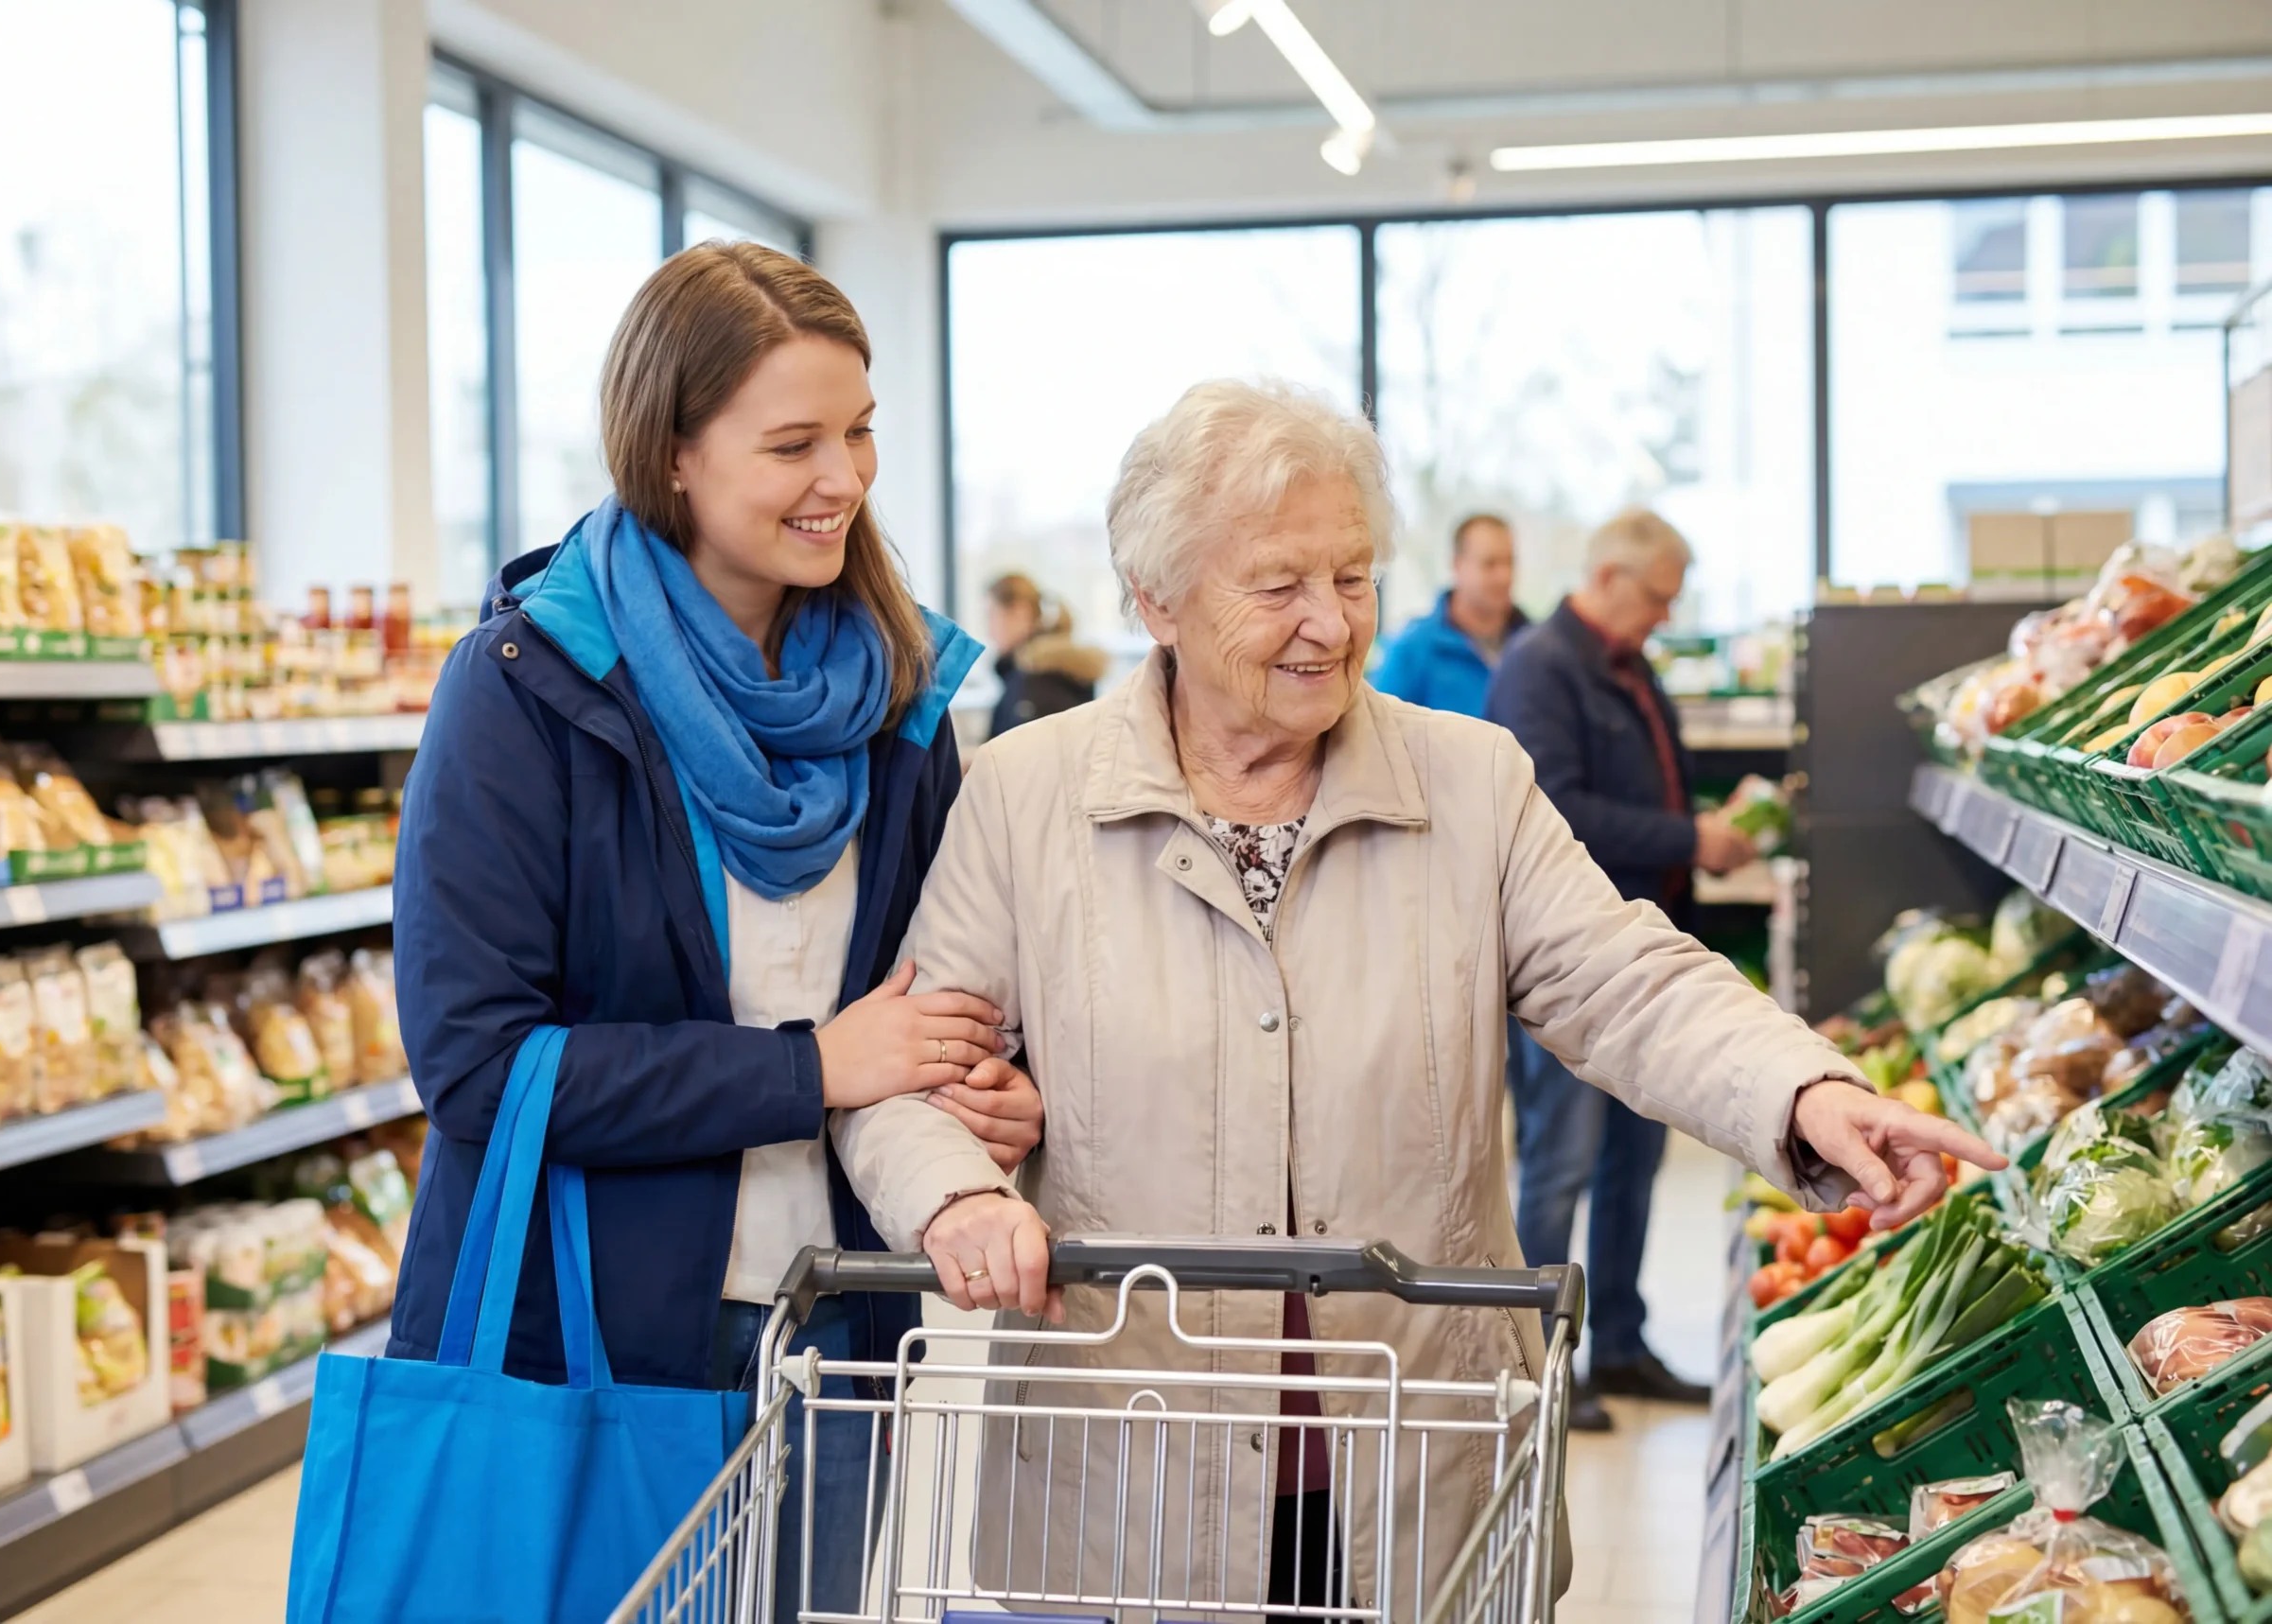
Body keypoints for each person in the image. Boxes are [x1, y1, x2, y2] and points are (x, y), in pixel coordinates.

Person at [830, 380, 2001, 1616]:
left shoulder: (1469, 780)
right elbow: (905, 1073)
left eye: (1353, 577)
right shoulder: (1025, 798)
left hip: (1417, 1457)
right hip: (1128, 1473)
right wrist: (955, 1193)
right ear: (1155, 599)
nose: (1329, 625)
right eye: (1279, 586)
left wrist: (1804, 1088)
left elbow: (1624, 978)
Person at [384, 243, 1043, 1624]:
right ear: (673, 453)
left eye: (859, 433)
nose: (845, 480)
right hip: (590, 1342)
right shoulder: (526, 693)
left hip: (851, 1324)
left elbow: (938, 995)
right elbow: (478, 1068)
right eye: (793, 442)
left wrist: (986, 1079)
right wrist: (813, 1070)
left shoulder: (902, 696)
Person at [1482, 508, 1757, 1431]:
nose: (1662, 616)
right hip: (1572, 968)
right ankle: (1537, 1364)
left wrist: (1716, 823)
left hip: (1647, 958)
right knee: (1558, 1165)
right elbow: (1552, 810)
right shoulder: (1540, 667)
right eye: (1656, 597)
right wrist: (1689, 837)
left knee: (1633, 1164)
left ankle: (1623, 1346)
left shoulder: (1629, 670)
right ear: (1607, 576)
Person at [1373, 512, 1529, 717]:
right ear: (1457, 565)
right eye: (1490, 564)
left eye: (1509, 562)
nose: (1504, 576)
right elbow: (1379, 730)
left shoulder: (1533, 648)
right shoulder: (1413, 649)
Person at [985, 572, 1107, 735]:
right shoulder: (1053, 673)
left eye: (991, 616)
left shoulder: (1034, 684)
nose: (989, 631)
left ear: (1020, 613)